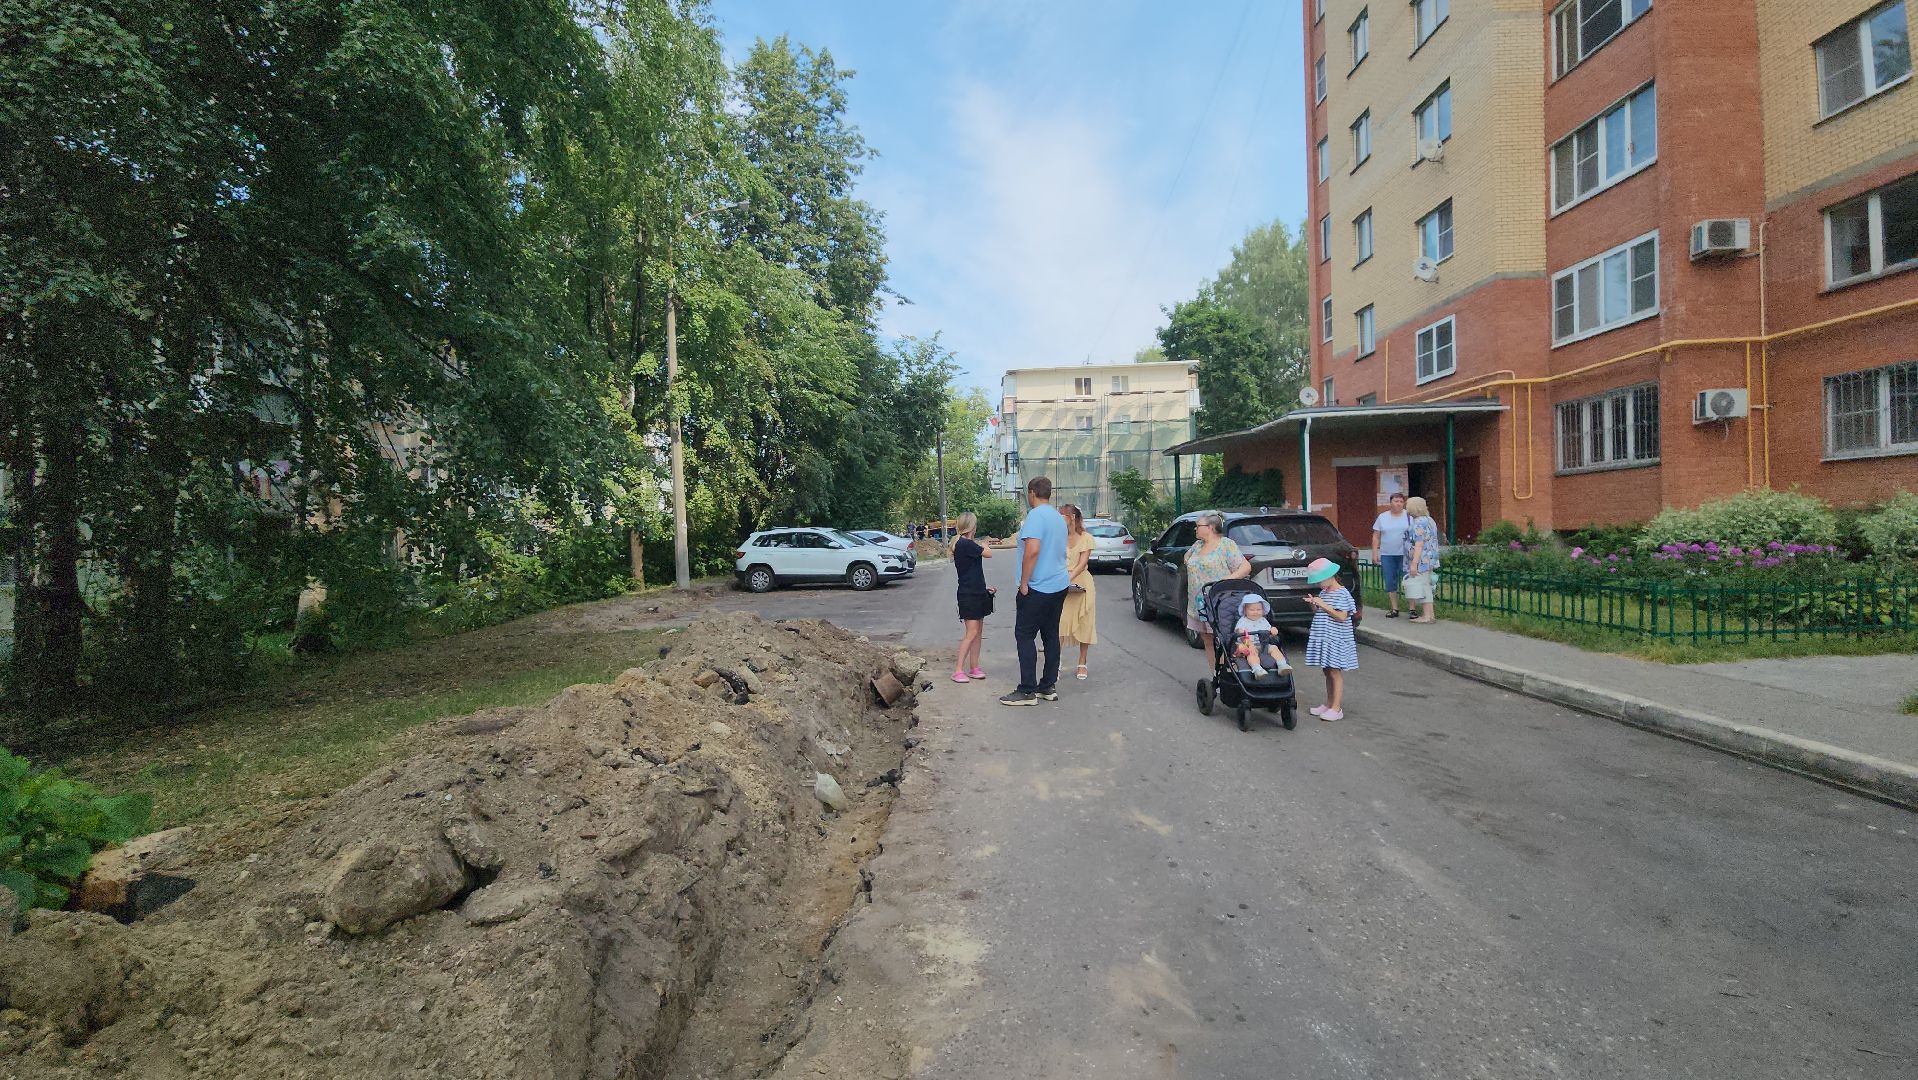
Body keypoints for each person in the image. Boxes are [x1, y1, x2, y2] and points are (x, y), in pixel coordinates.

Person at [1000, 476, 1070, 706]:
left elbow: (1032, 551)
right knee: (1050, 635)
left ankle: (1027, 690)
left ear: (1032, 493)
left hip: (1038, 586)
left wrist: (1023, 582)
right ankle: (1047, 686)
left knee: (1024, 635)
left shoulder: (1035, 517)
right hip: (1059, 585)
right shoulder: (1059, 518)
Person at [1183, 511, 1252, 662]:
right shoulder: (1197, 545)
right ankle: (1216, 677)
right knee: (1208, 641)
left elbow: (1245, 568)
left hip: (1221, 602)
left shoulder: (1226, 545)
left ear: (1211, 527)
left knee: (1227, 640)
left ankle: (1233, 672)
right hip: (1199, 604)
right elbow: (1187, 557)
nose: (1195, 529)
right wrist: (1190, 562)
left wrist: (1228, 579)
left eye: (1198, 526)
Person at [1301, 558, 1357, 721]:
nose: (1319, 585)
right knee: (1327, 670)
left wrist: (1323, 605)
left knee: (1334, 671)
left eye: (1320, 580)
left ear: (1330, 575)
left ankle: (1336, 707)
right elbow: (1321, 612)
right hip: (1325, 637)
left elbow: (1341, 616)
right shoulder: (1325, 592)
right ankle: (1329, 703)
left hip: (1336, 639)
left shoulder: (1342, 593)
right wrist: (1314, 604)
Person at [950, 512, 995, 682]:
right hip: (968, 594)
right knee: (972, 632)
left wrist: (985, 588)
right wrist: (985, 544)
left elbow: (973, 571)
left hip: (977, 592)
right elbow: (989, 553)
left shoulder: (966, 545)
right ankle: (958, 670)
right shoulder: (965, 544)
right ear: (972, 527)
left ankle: (974, 667)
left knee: (977, 632)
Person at [1058, 503, 1097, 680]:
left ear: (1072, 517)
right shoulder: (1058, 537)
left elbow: (1082, 563)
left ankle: (1082, 663)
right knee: (1059, 623)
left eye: (1062, 516)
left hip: (1082, 584)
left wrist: (1070, 577)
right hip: (1061, 584)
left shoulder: (1086, 537)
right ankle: (1055, 663)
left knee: (1085, 622)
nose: (1059, 519)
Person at [1230, 595, 1291, 679]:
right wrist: (1248, 642)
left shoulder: (1263, 620)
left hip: (1263, 644)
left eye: (1259, 609)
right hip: (1248, 644)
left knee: (1274, 648)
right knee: (1252, 654)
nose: (1256, 612)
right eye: (1252, 610)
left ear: (1263, 611)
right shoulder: (1243, 621)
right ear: (1245, 611)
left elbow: (1269, 630)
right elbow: (1241, 634)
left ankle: (1282, 665)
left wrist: (1273, 631)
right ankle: (1257, 669)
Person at [1370, 491, 1410, 619]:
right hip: (1388, 554)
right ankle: (1394, 608)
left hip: (1405, 554)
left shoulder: (1409, 516)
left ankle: (1412, 608)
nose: (1398, 504)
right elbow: (1376, 536)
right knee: (1390, 581)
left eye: (1401, 501)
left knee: (1409, 581)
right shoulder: (1383, 517)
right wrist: (1375, 552)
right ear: (1390, 502)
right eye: (1396, 501)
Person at [1402, 495, 1442, 624]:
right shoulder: (1430, 520)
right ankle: (1431, 615)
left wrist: (1414, 563)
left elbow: (1419, 544)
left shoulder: (1418, 523)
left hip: (1422, 559)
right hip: (1432, 557)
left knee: (1423, 586)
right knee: (1428, 585)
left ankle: (1427, 616)